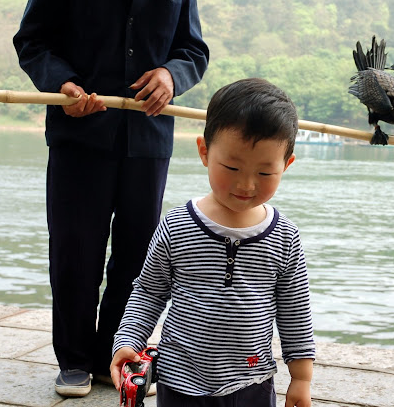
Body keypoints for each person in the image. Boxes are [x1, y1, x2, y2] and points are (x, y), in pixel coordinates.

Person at [12, 0, 209, 397]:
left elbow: (193, 50)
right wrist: (61, 83)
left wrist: (171, 75)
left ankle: (114, 355)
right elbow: (32, 41)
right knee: (74, 250)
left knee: (138, 254)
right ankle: (74, 360)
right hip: (78, 134)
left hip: (148, 135)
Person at [111, 78, 316, 407]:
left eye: (265, 173)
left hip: (252, 380)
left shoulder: (284, 237)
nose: (246, 184)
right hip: (180, 381)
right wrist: (127, 341)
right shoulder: (176, 226)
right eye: (232, 167)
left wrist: (301, 378)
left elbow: (295, 312)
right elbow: (149, 291)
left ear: (286, 164)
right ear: (204, 152)